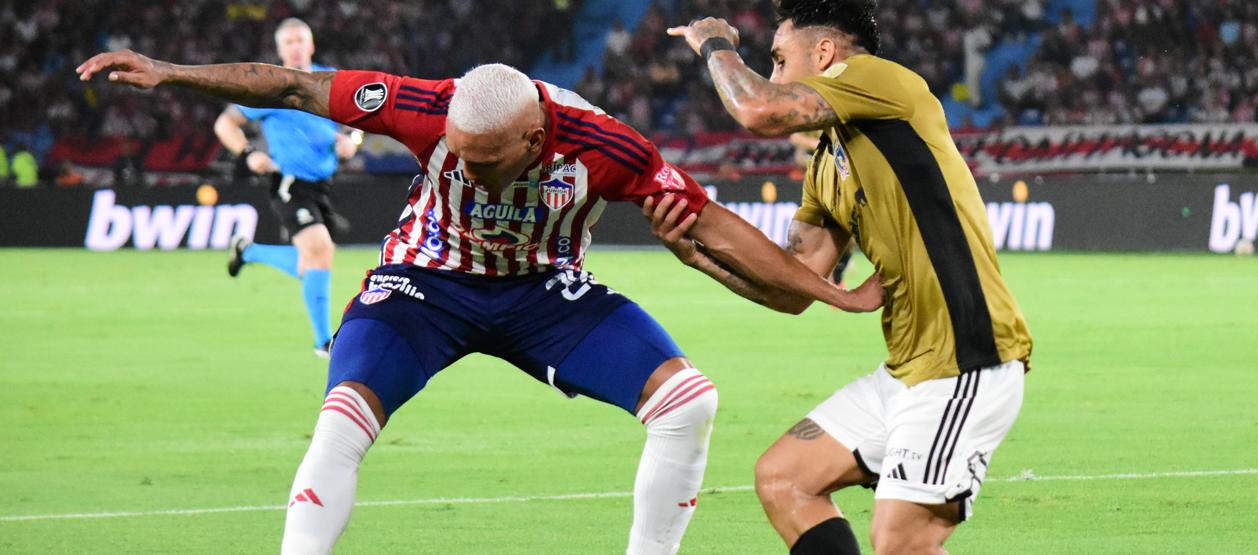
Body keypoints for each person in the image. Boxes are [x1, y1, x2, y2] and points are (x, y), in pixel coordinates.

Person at [76, 46, 884, 554]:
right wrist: (169, 72)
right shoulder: (423, 106)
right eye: (456, 155)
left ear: (535, 138)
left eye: (485, 160)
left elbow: (715, 224)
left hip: (543, 291)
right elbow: (291, 84)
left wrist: (830, 294)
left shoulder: (606, 146)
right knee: (343, 414)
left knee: (689, 402)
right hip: (424, 283)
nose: (465, 168)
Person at [662, 1, 1033, 553]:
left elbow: (757, 109)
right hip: (907, 370)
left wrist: (717, 46)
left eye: (780, 60)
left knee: (901, 539)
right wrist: (699, 256)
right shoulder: (826, 163)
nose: (775, 77)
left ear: (825, 53)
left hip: (965, 357)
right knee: (786, 478)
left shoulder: (878, 80)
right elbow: (794, 287)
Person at [213, 18, 359, 357]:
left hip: (323, 185)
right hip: (289, 183)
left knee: (312, 263)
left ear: (311, 45)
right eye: (288, 42)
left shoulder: (330, 80)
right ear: (280, 50)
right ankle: (323, 343)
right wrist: (249, 154)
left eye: (300, 40)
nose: (295, 47)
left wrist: (352, 140)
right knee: (319, 250)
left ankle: (248, 252)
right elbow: (225, 123)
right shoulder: (271, 86)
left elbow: (360, 121)